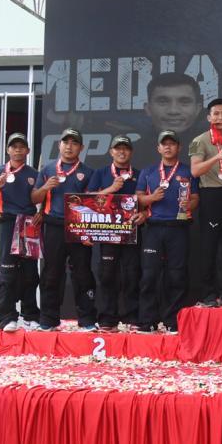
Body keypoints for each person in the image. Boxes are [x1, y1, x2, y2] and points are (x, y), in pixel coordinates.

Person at [31, 127, 97, 331]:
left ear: (81, 147)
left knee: (83, 274)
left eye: (74, 143)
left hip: (78, 228)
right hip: (53, 226)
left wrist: (87, 232)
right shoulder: (48, 170)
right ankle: (48, 319)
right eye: (66, 142)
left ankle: (86, 319)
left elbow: (92, 206)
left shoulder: (87, 172)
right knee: (51, 273)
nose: (69, 147)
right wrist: (44, 188)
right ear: (59, 145)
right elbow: (34, 198)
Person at [135, 130, 199, 333]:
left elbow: (196, 199)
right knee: (149, 276)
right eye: (165, 144)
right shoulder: (148, 172)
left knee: (176, 275)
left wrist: (190, 203)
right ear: (158, 148)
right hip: (153, 228)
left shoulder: (189, 172)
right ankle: (147, 321)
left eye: (172, 144)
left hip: (178, 228)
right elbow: (137, 199)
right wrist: (150, 198)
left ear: (179, 148)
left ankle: (173, 321)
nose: (168, 147)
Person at [0, 132, 40, 332]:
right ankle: (7, 317)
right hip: (7, 222)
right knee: (7, 271)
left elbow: (41, 200)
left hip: (29, 223)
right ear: (8, 150)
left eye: (21, 147)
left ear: (28, 151)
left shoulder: (33, 174)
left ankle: (30, 315)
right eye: (14, 147)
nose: (17, 150)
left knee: (30, 271)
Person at [189, 98, 222, 306]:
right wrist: (216, 157)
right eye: (216, 114)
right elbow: (195, 171)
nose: (220, 117)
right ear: (209, 117)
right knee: (209, 247)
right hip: (210, 194)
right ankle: (208, 293)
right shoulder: (199, 140)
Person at [87, 135, 141, 332]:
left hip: (131, 232)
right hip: (108, 233)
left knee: (132, 274)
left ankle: (133, 317)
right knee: (107, 275)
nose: (121, 152)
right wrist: (111, 189)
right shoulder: (100, 173)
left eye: (125, 148)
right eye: (117, 148)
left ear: (131, 152)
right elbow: (88, 200)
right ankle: (107, 318)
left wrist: (143, 213)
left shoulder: (139, 174)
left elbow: (144, 200)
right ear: (111, 152)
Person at [145, 72, 205, 142]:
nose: (173, 111)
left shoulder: (217, 152)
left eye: (184, 102)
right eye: (163, 102)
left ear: (197, 109)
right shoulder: (131, 152)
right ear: (148, 109)